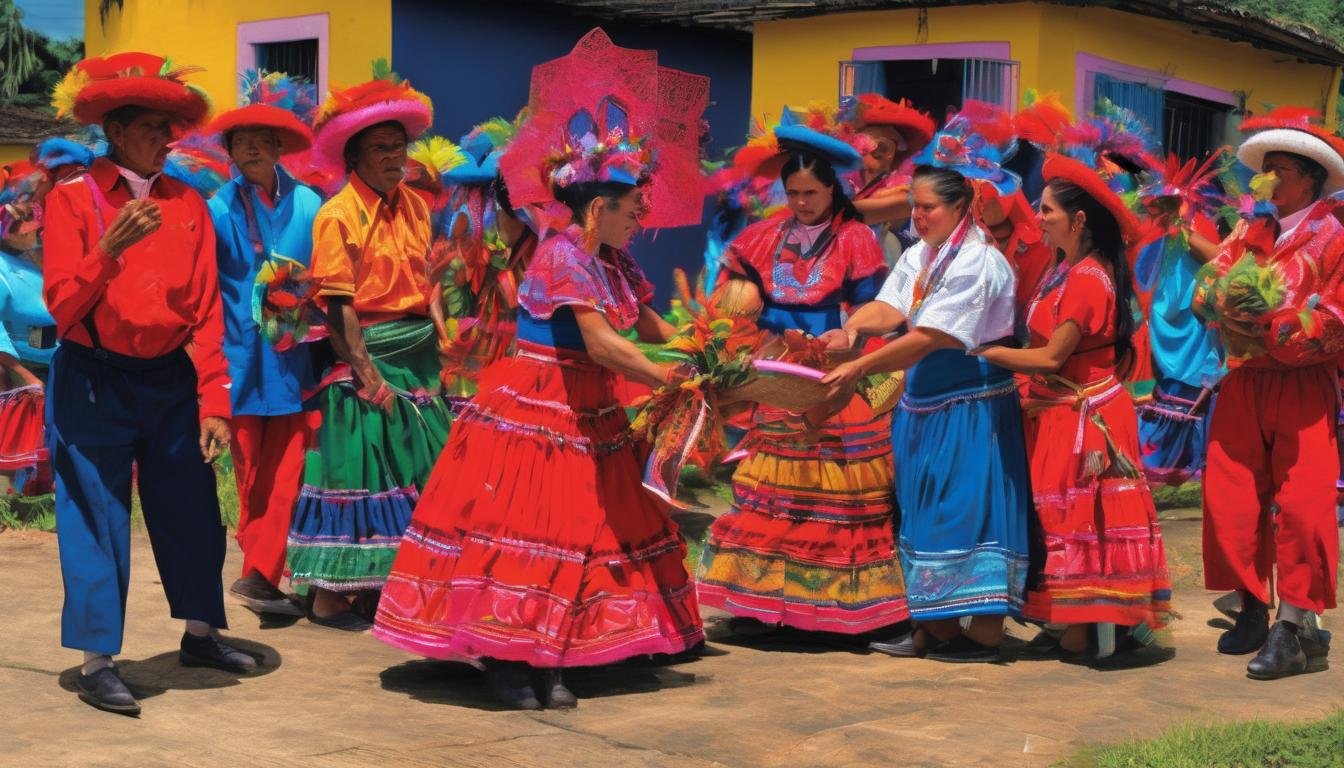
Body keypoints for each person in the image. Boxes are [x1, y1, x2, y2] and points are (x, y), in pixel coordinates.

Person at [373, 29, 708, 710]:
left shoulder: (616, 261)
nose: (642, 213)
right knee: (529, 531)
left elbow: (650, 326)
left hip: (590, 412)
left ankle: (552, 653)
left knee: (587, 530)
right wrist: (662, 376)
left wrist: (708, 353)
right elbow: (601, 343)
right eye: (632, 203)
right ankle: (504, 655)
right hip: (537, 405)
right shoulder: (562, 256)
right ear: (596, 207)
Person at [45, 52, 254, 716]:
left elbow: (208, 310)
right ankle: (97, 661)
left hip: (169, 379)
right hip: (92, 380)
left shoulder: (188, 203)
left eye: (171, 128)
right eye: (154, 128)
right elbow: (60, 306)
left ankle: (200, 633)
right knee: (96, 517)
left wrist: (215, 401)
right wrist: (107, 250)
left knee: (191, 505)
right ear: (116, 130)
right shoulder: (72, 200)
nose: (168, 140)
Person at [821, 110, 1031, 662]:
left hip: (972, 405)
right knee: (922, 509)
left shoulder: (979, 264)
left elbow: (931, 337)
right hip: (923, 405)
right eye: (913, 205)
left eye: (928, 207)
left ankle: (981, 633)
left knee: (967, 508)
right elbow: (890, 306)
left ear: (962, 208)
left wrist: (860, 367)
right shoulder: (920, 252)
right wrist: (850, 328)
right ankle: (931, 628)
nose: (916, 215)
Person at [695, 111, 907, 637]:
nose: (802, 203)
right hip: (777, 369)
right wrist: (753, 325)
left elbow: (869, 307)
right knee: (773, 490)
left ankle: (834, 611)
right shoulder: (764, 237)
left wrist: (847, 341)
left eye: (811, 192)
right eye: (793, 193)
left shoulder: (857, 239)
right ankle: (763, 606)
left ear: (833, 189)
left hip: (834, 369)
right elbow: (736, 295)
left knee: (832, 489)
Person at [977, 153, 1172, 657]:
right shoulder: (1064, 269)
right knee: (1068, 521)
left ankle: (1092, 626)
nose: (1037, 218)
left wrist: (983, 352)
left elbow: (1051, 355)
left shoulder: (1086, 277)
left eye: (1047, 211)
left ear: (1079, 220)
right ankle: (1077, 625)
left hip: (1086, 417)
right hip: (1063, 410)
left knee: (1084, 521)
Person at [287, 66, 453, 630]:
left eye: (399, 146)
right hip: (370, 352)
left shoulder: (417, 206)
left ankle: (386, 586)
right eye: (381, 148)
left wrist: (442, 341)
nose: (394, 157)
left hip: (419, 356)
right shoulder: (338, 214)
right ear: (353, 158)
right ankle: (332, 596)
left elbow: (425, 280)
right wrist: (367, 376)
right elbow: (339, 306)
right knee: (365, 470)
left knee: (421, 470)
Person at [1193, 108, 1344, 679]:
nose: (1265, 180)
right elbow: (1209, 286)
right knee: (1231, 499)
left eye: (1277, 170)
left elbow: (1334, 318)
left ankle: (1294, 626)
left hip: (1302, 383)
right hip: (1243, 380)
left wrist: (1269, 323)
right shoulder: (1249, 232)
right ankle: (1252, 604)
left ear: (1308, 177)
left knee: (1305, 507)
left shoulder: (1336, 236)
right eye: (1265, 170)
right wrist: (1215, 300)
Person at [205, 75, 324, 617]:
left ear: (280, 149)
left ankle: (259, 572)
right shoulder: (216, 208)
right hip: (239, 357)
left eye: (261, 139)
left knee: (291, 467)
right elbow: (204, 287)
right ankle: (258, 568)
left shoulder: (310, 205)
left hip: (296, 356)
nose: (250, 148)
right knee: (249, 470)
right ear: (229, 152)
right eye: (240, 141)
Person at [838, 94, 935, 263]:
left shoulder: (905, 191)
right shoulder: (842, 183)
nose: (874, 150)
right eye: (865, 142)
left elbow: (850, 212)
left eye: (883, 146)